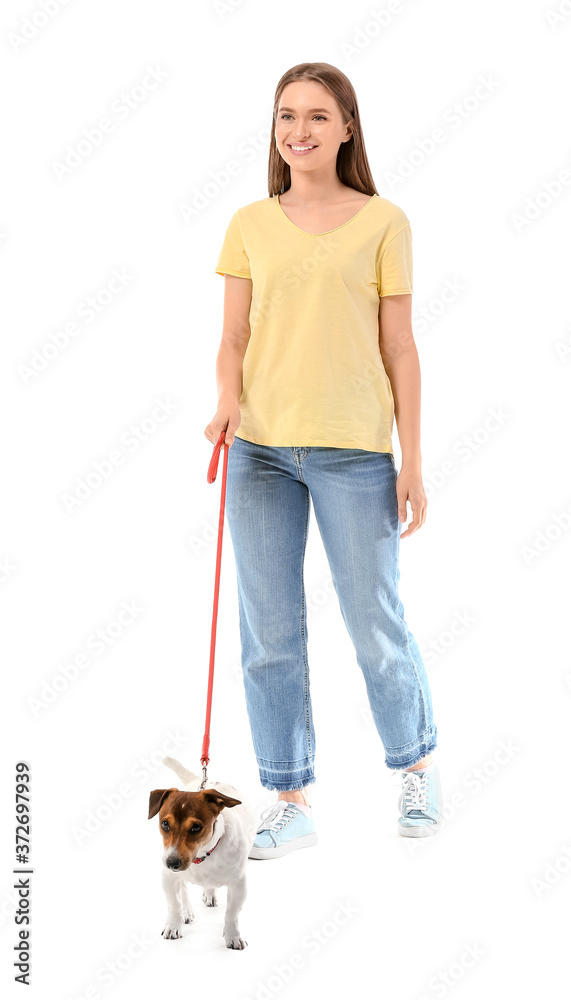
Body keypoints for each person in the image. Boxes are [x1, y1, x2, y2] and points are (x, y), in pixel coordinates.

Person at [205, 62, 442, 858]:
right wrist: (226, 400)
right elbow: (232, 335)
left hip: (354, 452)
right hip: (259, 451)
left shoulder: (384, 222)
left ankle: (415, 767)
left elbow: (399, 346)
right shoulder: (248, 222)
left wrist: (411, 459)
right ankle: (289, 797)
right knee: (268, 633)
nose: (297, 130)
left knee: (373, 621)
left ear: (346, 128)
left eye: (315, 115)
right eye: (285, 115)